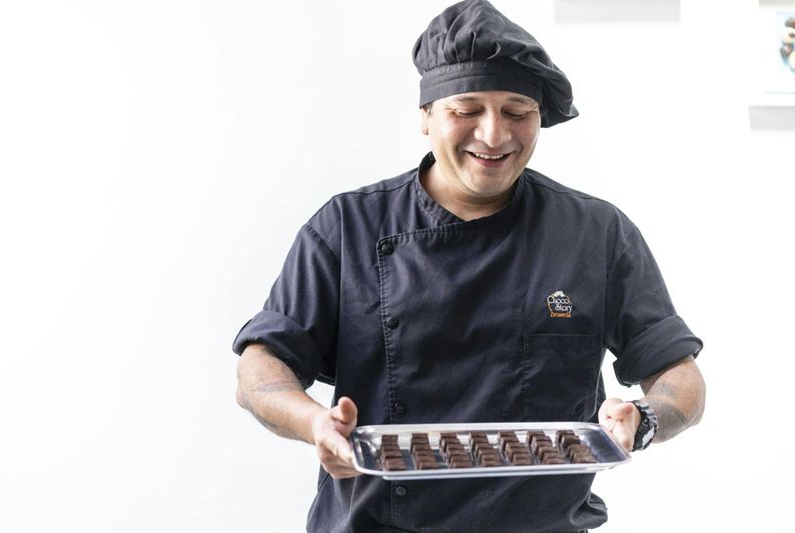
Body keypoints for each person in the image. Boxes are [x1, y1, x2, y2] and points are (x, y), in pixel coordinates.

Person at [232, 1, 706, 531]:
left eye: (517, 112)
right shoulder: (347, 227)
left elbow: (678, 374)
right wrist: (314, 422)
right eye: (466, 109)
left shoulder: (595, 234)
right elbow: (260, 367)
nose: (494, 135)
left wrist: (645, 418)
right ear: (426, 115)